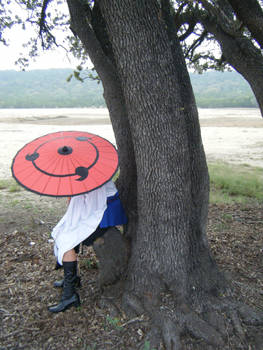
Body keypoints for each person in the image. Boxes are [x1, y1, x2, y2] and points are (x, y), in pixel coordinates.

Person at [48, 180, 127, 313]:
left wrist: (72, 196)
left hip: (102, 218)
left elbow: (94, 205)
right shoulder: (84, 173)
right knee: (63, 231)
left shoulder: (92, 176)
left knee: (67, 242)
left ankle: (69, 296)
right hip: (94, 212)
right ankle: (72, 280)